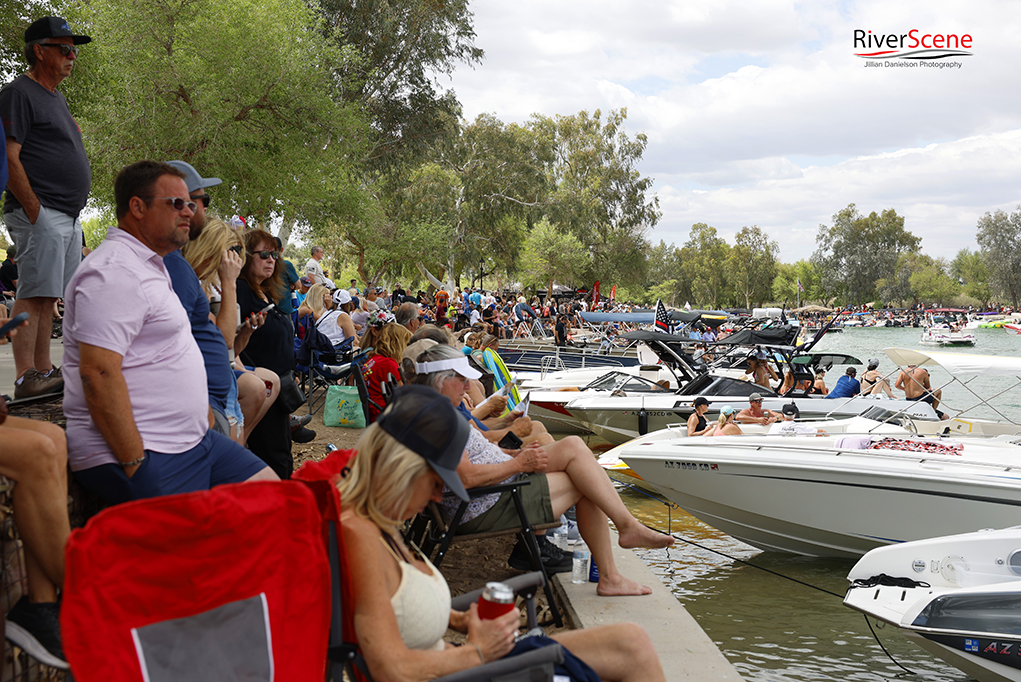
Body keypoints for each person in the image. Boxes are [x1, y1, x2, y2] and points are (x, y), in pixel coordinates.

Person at [340, 386, 667, 682]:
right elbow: (389, 669)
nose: (439, 498)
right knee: (631, 652)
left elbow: (399, 609)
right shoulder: (362, 538)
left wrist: (460, 620)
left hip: (460, 659)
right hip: (465, 667)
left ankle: (625, 533)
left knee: (632, 642)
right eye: (437, 484)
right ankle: (625, 533)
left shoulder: (381, 526)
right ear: (402, 471)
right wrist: (478, 651)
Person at [63, 161, 278, 504]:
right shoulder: (113, 271)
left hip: (194, 441)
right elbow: (98, 372)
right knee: (206, 549)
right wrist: (136, 463)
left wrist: (202, 415)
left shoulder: (153, 265)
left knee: (278, 501)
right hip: (148, 451)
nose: (190, 213)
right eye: (177, 203)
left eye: (191, 204)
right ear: (137, 207)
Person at [413, 345, 674, 591]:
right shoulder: (441, 420)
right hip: (484, 505)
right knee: (586, 483)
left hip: (492, 492)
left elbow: (474, 452)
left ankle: (623, 536)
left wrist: (512, 454)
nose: (468, 386)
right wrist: (517, 463)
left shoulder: (434, 411)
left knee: (573, 447)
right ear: (439, 381)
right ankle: (612, 568)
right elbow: (466, 477)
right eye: (460, 379)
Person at [2, 17, 92, 399]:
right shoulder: (18, 93)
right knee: (36, 292)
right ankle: (26, 376)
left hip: (66, 216)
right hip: (41, 212)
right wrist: (36, 210)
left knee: (50, 295)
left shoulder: (54, 95)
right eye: (65, 49)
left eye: (74, 50)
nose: (73, 57)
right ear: (40, 51)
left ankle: (42, 370)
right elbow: (9, 156)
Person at [237, 228, 305, 477]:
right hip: (259, 389)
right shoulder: (240, 290)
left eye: (274, 255)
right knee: (272, 458)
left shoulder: (264, 291)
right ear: (246, 257)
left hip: (279, 387)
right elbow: (232, 345)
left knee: (280, 452)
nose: (271, 260)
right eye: (264, 254)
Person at [362, 322, 408, 422]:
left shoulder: (374, 359)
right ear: (398, 344)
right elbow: (403, 392)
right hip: (383, 411)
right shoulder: (388, 364)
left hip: (373, 409)